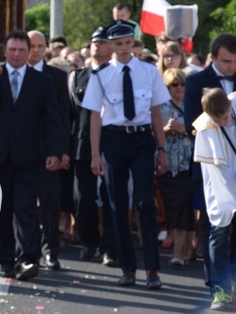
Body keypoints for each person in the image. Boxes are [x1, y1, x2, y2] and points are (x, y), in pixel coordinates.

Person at [83, 20, 169, 289]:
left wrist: (162, 149)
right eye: (117, 44)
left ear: (134, 42)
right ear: (110, 45)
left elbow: (156, 113)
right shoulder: (101, 75)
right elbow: (95, 117)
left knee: (145, 203)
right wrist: (95, 154)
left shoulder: (149, 71)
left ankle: (152, 270)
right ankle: (128, 268)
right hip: (114, 139)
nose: (123, 48)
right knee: (118, 206)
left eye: (127, 43)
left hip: (142, 139)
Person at [0, 30, 64, 281]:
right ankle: (5, 261)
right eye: (12, 50)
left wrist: (56, 151)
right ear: (5, 51)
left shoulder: (42, 81)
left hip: (29, 156)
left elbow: (52, 119)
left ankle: (27, 260)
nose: (16, 54)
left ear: (29, 52)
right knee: (2, 210)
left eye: (21, 50)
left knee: (25, 210)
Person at [183, 32, 236, 296]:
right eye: (226, 61)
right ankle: (216, 283)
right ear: (213, 57)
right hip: (212, 166)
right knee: (215, 226)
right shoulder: (196, 81)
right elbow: (190, 123)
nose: (232, 67)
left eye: (235, 62)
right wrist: (219, 118)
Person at [68, 27, 116, 266]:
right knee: (83, 198)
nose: (98, 45)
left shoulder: (117, 74)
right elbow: (70, 114)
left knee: (110, 198)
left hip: (111, 142)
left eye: (103, 42)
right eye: (94, 41)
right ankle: (89, 242)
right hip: (82, 145)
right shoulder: (77, 76)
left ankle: (109, 247)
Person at [27, 30, 72, 271]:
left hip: (49, 151)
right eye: (31, 45)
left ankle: (50, 252)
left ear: (45, 48)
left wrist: (61, 151)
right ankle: (28, 251)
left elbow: (63, 116)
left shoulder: (57, 76)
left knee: (50, 204)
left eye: (39, 45)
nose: (35, 50)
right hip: (23, 151)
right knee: (24, 205)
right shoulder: (17, 74)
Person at [192, 87, 236, 310]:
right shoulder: (205, 128)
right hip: (220, 182)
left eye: (226, 117)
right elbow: (219, 172)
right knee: (218, 232)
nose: (223, 122)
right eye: (218, 120)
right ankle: (220, 290)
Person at [157, 68, 195, 268]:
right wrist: (165, 130)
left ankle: (179, 252)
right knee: (172, 209)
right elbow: (150, 133)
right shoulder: (159, 107)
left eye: (182, 84)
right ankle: (187, 248)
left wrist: (184, 130)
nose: (179, 88)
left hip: (188, 164)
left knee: (183, 206)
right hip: (166, 164)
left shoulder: (193, 106)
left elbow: (203, 133)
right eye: (174, 84)